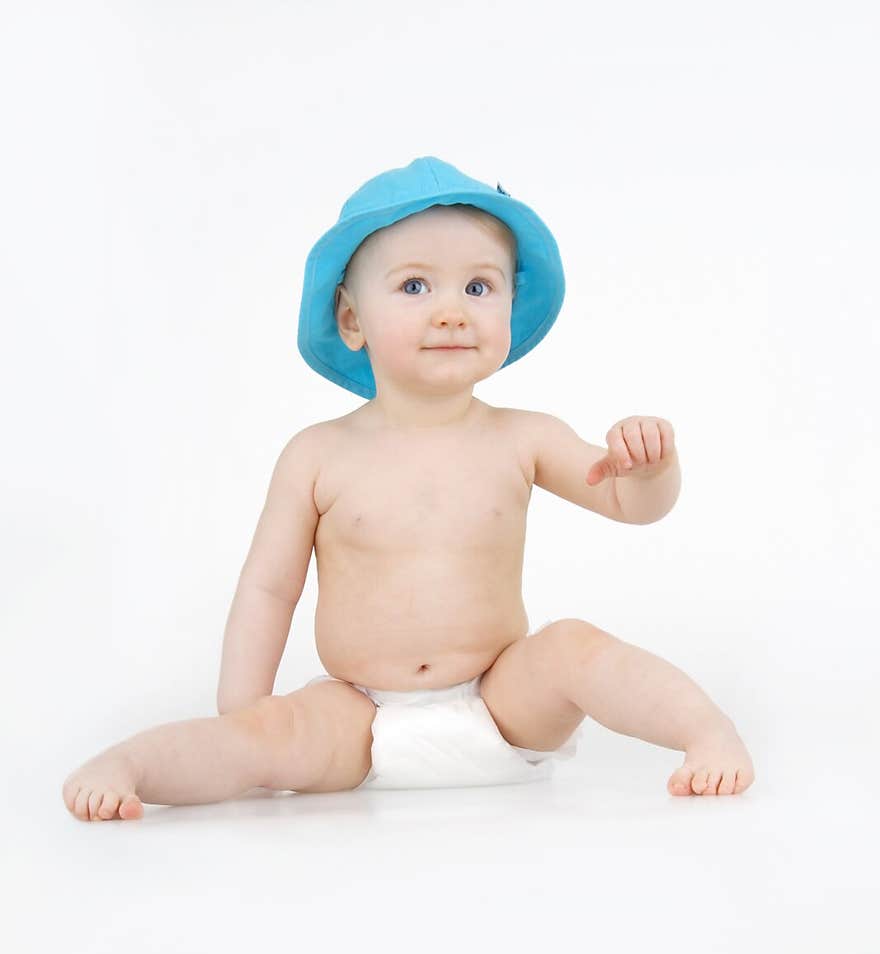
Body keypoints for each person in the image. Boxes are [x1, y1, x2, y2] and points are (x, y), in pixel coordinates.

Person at [62, 156, 754, 819]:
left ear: (509, 310)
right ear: (351, 320)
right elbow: (269, 589)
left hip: (502, 703)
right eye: (415, 286)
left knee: (573, 646)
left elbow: (628, 505)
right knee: (265, 736)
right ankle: (132, 768)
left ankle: (707, 732)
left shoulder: (525, 436)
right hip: (357, 717)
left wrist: (652, 469)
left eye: (478, 288)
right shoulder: (317, 455)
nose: (451, 311)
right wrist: (246, 711)